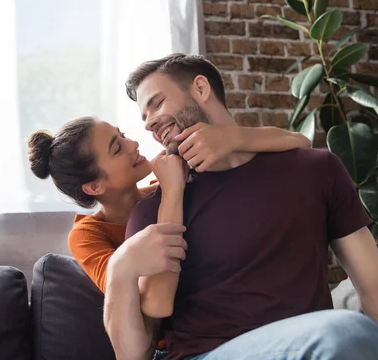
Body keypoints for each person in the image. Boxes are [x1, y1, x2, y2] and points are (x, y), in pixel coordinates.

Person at [104, 53, 378, 360]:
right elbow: (134, 356)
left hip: (311, 350)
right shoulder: (154, 209)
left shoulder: (316, 170)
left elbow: (371, 286)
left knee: (345, 337)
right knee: (343, 334)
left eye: (157, 103)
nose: (150, 122)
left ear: (201, 88)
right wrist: (119, 268)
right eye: (144, 116)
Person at [27, 115, 310, 317]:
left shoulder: (166, 182)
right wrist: (172, 191)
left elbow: (300, 141)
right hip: (168, 350)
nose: (134, 144)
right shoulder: (88, 235)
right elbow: (139, 302)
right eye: (117, 148)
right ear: (94, 186)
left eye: (123, 135)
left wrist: (231, 137)